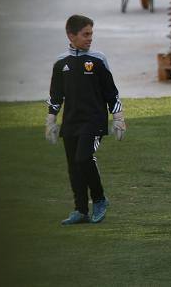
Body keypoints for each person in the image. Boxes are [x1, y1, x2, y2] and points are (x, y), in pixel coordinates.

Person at [46, 14, 126, 225]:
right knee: (73, 166)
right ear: (71, 35)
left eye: (91, 34)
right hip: (71, 122)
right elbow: (56, 95)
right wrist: (51, 120)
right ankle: (80, 210)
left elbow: (111, 92)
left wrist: (118, 118)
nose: (90, 38)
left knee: (83, 158)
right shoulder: (61, 62)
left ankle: (99, 199)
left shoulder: (98, 59)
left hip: (94, 121)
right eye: (85, 34)